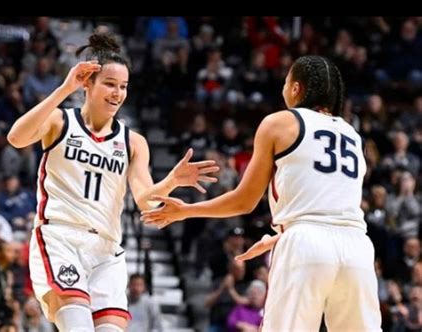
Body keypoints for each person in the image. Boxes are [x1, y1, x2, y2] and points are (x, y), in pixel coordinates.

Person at [142, 55, 382, 331]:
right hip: (358, 250)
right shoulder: (353, 135)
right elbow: (330, 204)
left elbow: (245, 201)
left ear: (296, 88)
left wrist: (186, 210)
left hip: (305, 243)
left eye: (286, 81)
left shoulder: (280, 123)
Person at [7, 32, 219, 332]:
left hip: (107, 250)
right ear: (87, 84)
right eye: (109, 84)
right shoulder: (60, 121)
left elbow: (147, 200)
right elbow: (15, 138)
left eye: (123, 87)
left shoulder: (133, 142)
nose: (117, 93)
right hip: (61, 238)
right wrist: (64, 88)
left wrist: (171, 180)